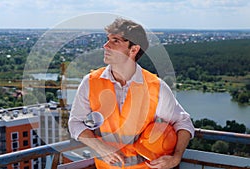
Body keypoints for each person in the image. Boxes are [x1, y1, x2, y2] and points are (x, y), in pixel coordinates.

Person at [68, 18, 194, 169]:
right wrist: (101, 148)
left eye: (115, 41)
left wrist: (176, 158)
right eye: (107, 40)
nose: (105, 46)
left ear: (133, 50)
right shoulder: (90, 82)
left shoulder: (156, 87)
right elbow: (75, 123)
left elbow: (183, 122)